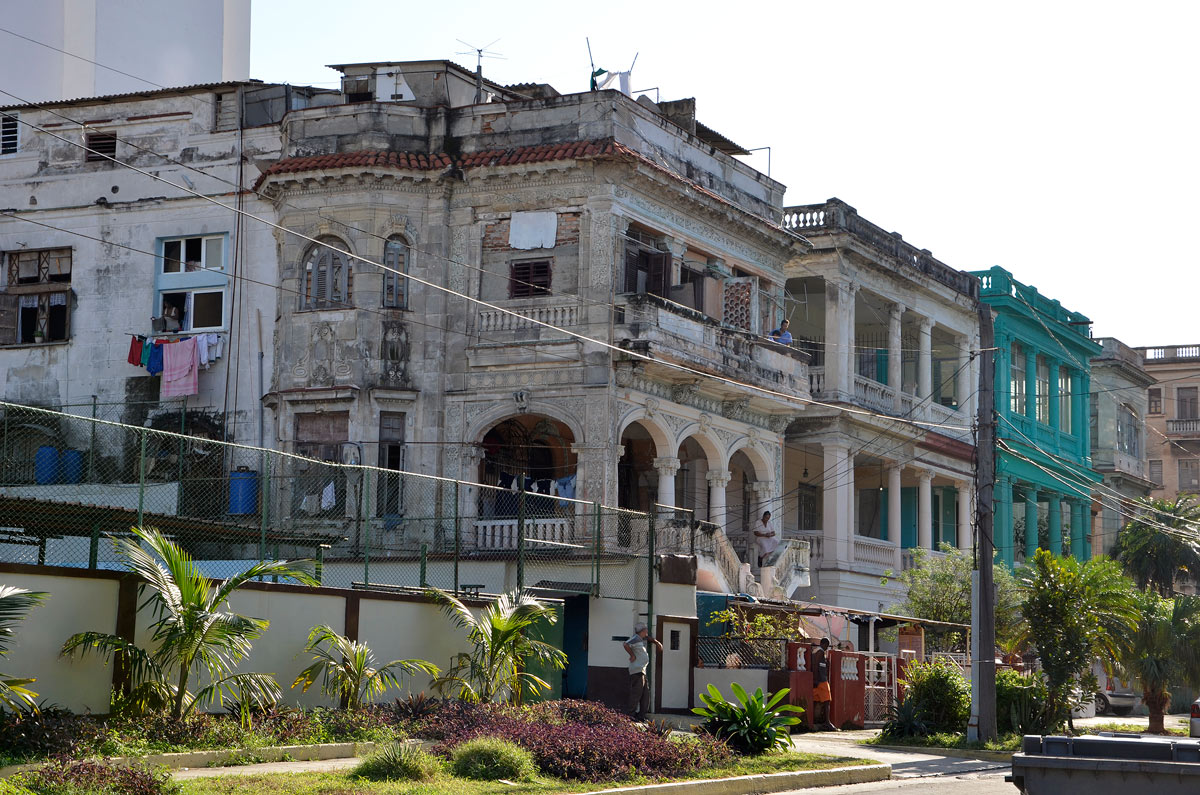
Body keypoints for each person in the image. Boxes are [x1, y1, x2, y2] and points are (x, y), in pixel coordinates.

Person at [623, 621, 662, 721]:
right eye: (646, 630)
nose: (647, 631)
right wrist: (632, 655)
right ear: (643, 630)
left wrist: (656, 642)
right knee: (636, 694)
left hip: (642, 671)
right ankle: (630, 715)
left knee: (645, 695)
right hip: (636, 671)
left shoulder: (640, 638)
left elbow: (647, 638)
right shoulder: (635, 638)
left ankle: (641, 716)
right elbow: (625, 644)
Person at [812, 638, 837, 731]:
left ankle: (815, 721)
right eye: (827, 645)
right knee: (827, 701)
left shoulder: (816, 652)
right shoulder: (820, 652)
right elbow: (815, 665)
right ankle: (827, 722)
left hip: (817, 680)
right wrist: (815, 679)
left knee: (816, 701)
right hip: (821, 681)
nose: (827, 647)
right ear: (824, 644)